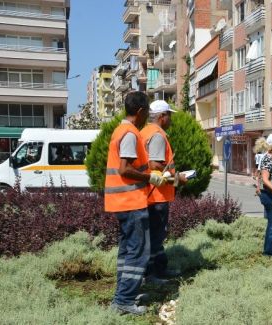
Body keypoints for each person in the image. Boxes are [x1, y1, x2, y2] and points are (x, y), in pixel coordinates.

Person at [105, 91, 166, 316]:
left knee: (127, 252)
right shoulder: (129, 133)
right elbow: (125, 169)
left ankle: (123, 295)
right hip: (130, 201)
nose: (147, 117)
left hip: (122, 201)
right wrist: (150, 177)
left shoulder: (122, 131)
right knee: (138, 251)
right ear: (139, 112)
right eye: (146, 113)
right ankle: (124, 300)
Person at [140, 100, 187, 285]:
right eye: (169, 114)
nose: (171, 118)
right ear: (161, 117)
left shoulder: (145, 132)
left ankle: (160, 268)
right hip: (157, 195)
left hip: (150, 194)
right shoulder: (157, 135)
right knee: (155, 236)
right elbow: (155, 165)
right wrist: (178, 177)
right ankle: (152, 276)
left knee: (155, 237)